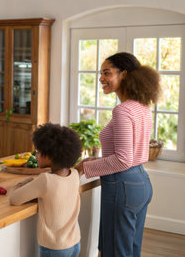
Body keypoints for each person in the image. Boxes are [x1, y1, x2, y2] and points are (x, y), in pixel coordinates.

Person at [76, 52, 161, 257]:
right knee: (130, 251)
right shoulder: (142, 107)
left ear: (123, 74)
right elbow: (128, 155)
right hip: (141, 182)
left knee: (114, 252)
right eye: (101, 73)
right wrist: (94, 160)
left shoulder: (122, 110)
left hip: (121, 185)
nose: (101, 78)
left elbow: (123, 160)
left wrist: (84, 168)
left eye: (107, 73)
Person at [9, 123, 82, 257]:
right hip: (75, 243)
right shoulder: (75, 175)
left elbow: (14, 198)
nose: (36, 155)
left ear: (50, 156)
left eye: (38, 151)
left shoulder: (45, 180)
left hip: (55, 248)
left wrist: (25, 181)